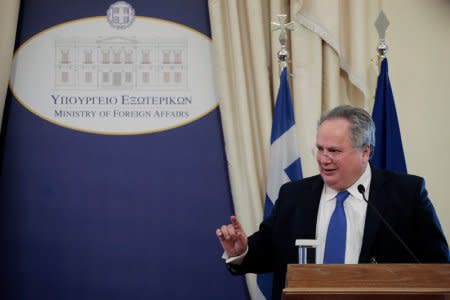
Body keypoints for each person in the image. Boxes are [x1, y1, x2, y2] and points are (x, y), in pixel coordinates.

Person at [216, 105, 449, 300]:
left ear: (365, 152)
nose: (323, 159)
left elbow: (439, 267)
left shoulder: (406, 195)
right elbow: (268, 250)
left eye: (334, 151)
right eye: (319, 149)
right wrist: (242, 251)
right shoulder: (294, 196)